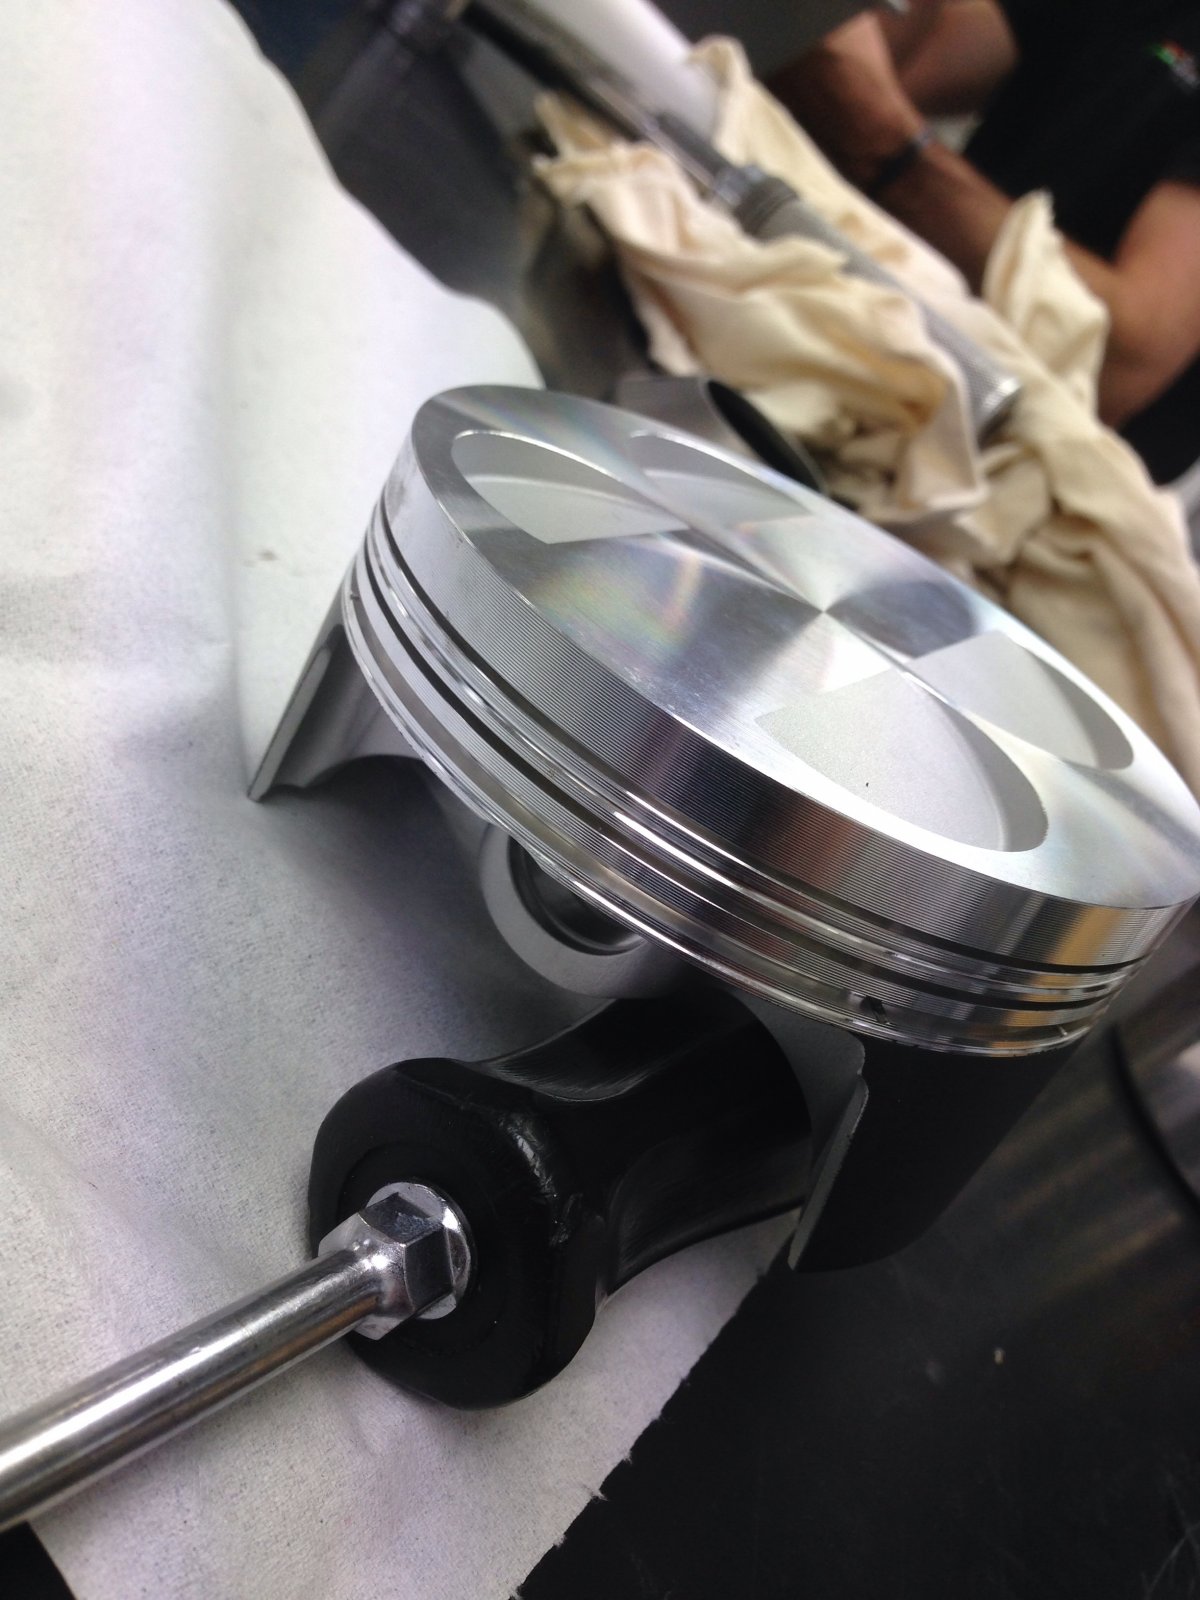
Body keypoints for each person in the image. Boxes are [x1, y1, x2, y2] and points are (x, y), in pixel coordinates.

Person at [770, 0, 1200, 484]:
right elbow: (894, 65)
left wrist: (881, 136)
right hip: (876, 361)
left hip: (1005, 482)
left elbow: (1118, 361)